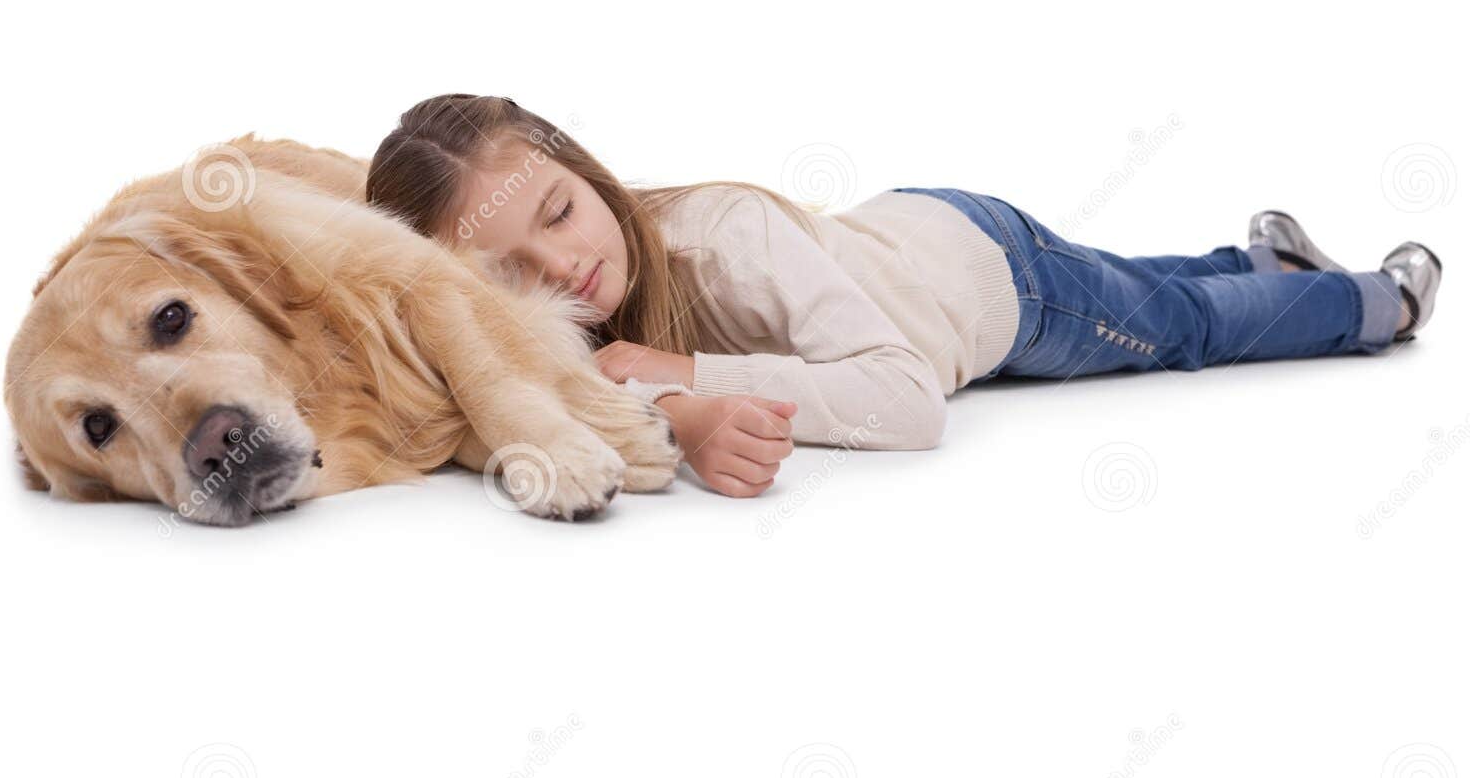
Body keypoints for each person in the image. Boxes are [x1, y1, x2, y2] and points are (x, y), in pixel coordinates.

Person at [366, 94, 1442, 499]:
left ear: (584, 167)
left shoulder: (720, 239)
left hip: (993, 285)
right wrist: (681, 410)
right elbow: (608, 387)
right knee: (1144, 284)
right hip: (911, 235)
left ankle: (1372, 303)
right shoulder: (563, 313)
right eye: (504, 269)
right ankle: (1260, 260)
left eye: (557, 212)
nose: (559, 272)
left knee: (1176, 331)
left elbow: (907, 396)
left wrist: (688, 374)